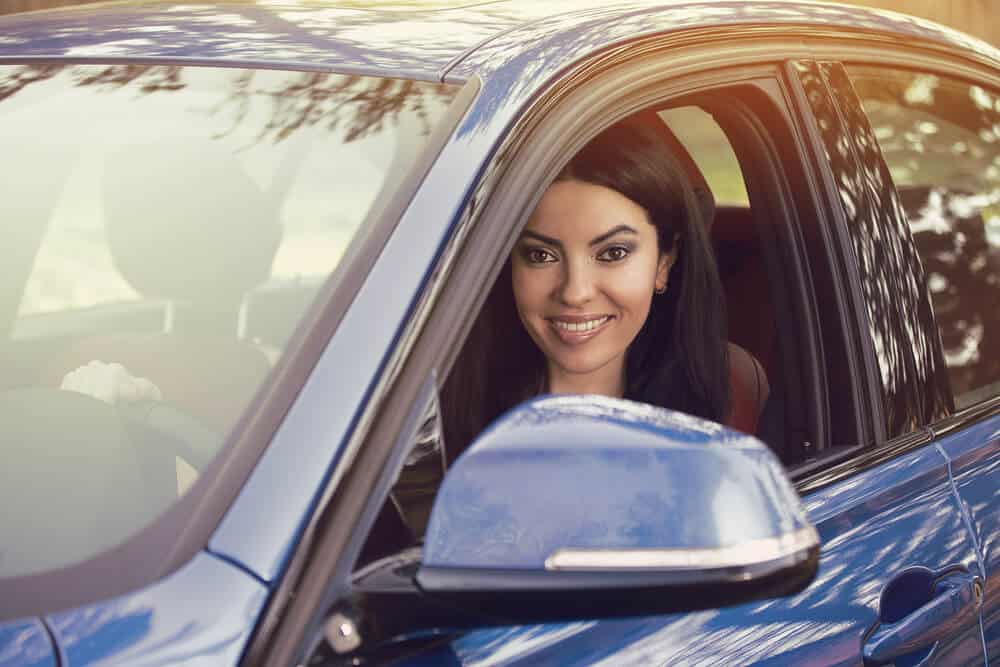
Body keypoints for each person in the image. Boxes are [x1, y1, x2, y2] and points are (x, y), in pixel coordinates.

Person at [441, 117, 765, 461]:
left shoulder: (728, 396)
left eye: (613, 253)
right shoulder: (423, 422)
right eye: (541, 255)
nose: (574, 292)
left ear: (663, 263)